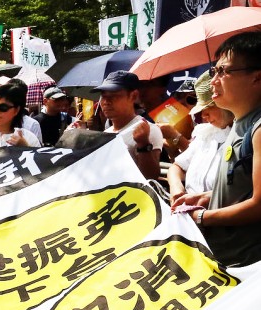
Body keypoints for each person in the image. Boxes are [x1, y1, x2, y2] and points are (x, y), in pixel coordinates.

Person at [174, 31, 261, 266]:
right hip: (227, 258)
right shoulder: (241, 123)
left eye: (224, 71)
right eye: (215, 71)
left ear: (257, 77)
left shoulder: (258, 128)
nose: (214, 80)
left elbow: (259, 205)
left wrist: (203, 217)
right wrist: (205, 197)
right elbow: (244, 189)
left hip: (249, 265)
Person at [168, 72, 234, 206]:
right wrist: (176, 188)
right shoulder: (206, 134)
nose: (204, 115)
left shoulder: (247, 136)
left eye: (209, 107)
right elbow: (177, 166)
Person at [93, 70, 163, 180]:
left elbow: (150, 177)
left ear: (133, 96)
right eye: (103, 96)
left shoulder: (147, 130)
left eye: (114, 96)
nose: (106, 102)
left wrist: (143, 144)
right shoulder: (107, 133)